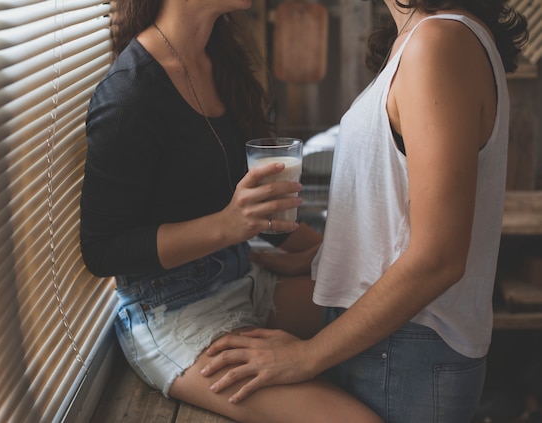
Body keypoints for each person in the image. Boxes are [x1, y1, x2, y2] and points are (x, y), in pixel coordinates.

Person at [201, 1, 529, 422]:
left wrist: (306, 356)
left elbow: (439, 257)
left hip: (405, 353)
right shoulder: (426, 39)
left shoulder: (439, 42)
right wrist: (314, 258)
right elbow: (398, 215)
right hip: (389, 344)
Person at [79, 0, 383, 421]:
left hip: (244, 277)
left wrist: (322, 255)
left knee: (385, 307)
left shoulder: (219, 58)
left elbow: (261, 209)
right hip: (174, 315)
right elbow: (102, 250)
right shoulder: (130, 93)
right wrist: (227, 226)